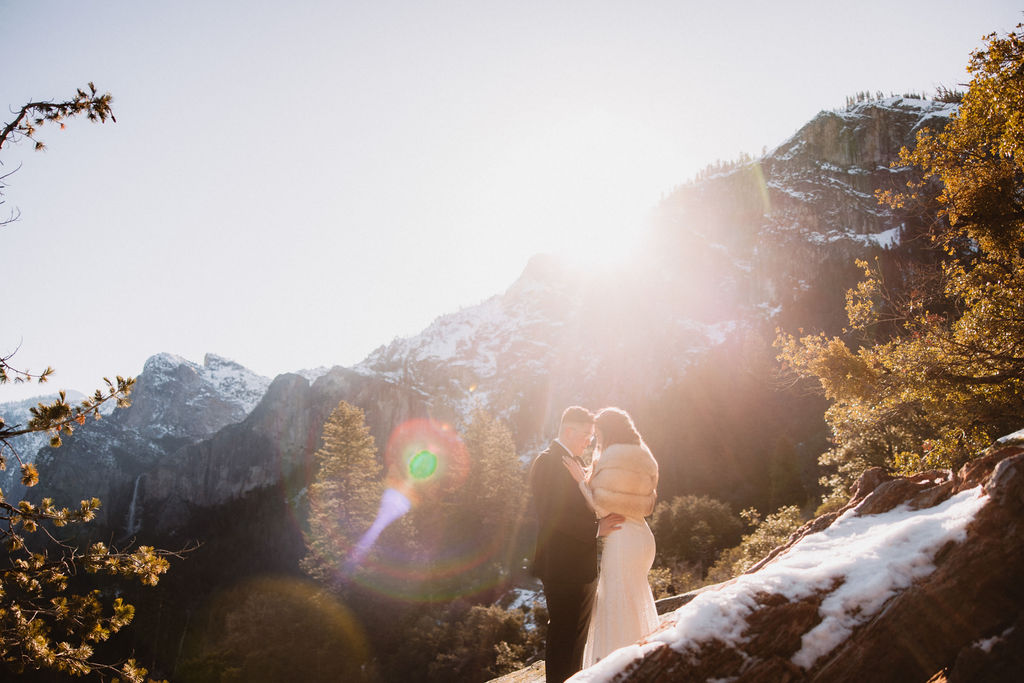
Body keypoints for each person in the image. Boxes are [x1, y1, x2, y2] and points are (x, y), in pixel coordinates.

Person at [530, 406, 626, 683]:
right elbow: (553, 515)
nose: (589, 441)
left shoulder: (572, 461)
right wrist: (597, 528)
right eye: (585, 434)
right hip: (562, 568)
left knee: (577, 638)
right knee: (564, 635)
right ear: (568, 431)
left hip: (581, 567)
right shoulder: (547, 462)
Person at [562, 407, 659, 668]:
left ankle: (619, 671)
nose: (596, 441)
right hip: (643, 538)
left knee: (616, 606)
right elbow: (647, 504)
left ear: (607, 431)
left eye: (599, 434)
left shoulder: (611, 457)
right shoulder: (644, 455)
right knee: (635, 601)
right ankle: (645, 665)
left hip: (622, 538)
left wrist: (581, 482)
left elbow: (602, 507)